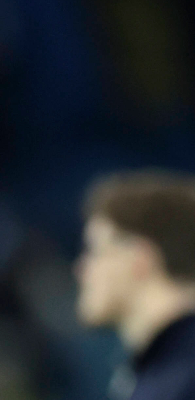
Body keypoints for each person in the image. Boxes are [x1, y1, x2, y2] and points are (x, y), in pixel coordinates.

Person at [76, 170, 195, 400]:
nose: (81, 270)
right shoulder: (156, 375)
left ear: (139, 258)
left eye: (93, 251)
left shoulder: (180, 380)